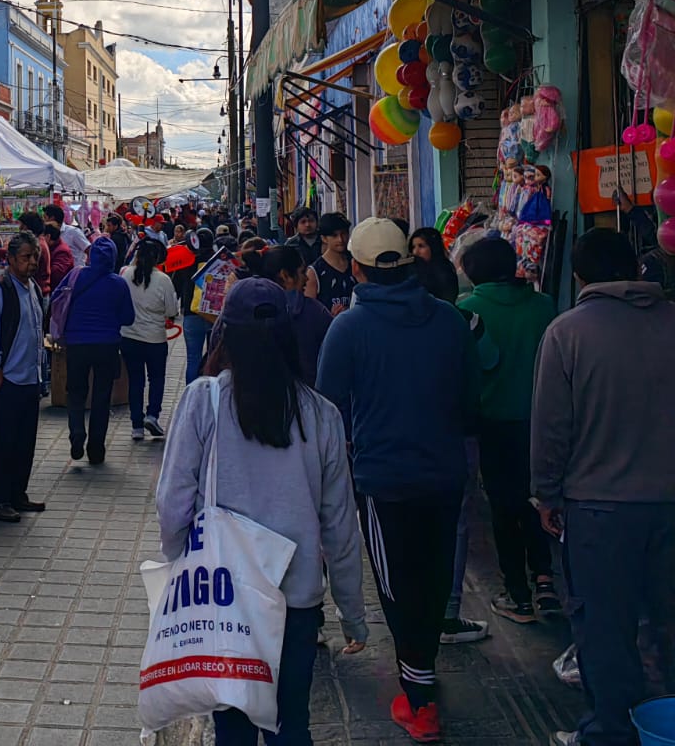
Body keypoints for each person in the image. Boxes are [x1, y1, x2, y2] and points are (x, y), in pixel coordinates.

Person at [533, 230, 675, 746]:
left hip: (599, 511)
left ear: (580, 276)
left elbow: (550, 428)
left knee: (605, 629)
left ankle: (610, 732)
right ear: (634, 268)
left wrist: (545, 494)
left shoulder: (566, 333)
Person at [156, 278, 368, 746]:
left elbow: (173, 503)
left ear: (225, 335)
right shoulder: (322, 414)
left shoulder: (203, 400)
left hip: (225, 595)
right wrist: (352, 611)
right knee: (290, 723)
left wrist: (180, 564)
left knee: (231, 726)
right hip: (297, 600)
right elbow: (339, 525)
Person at [317, 218, 477, 743]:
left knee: (396, 583)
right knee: (432, 576)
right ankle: (421, 673)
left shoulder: (349, 328)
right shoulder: (450, 321)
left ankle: (420, 697)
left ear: (358, 269)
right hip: (446, 471)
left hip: (383, 479)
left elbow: (327, 406)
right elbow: (469, 399)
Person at [456, 236, 559, 625]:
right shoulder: (544, 306)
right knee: (539, 499)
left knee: (503, 507)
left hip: (492, 422)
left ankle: (518, 594)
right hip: (540, 421)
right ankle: (546, 581)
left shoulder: (466, 309)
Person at [0, 234, 47, 523]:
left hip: (30, 378)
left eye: (35, 257)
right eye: (26, 257)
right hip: (8, 379)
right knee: (5, 443)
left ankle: (18, 493)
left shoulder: (32, 287)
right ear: (10, 259)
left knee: (25, 442)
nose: (32, 262)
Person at [58, 237, 134, 465]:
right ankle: (96, 449)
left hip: (77, 343)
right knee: (102, 397)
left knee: (76, 392)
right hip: (107, 346)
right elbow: (129, 318)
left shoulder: (76, 276)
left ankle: (77, 431)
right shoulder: (118, 283)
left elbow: (57, 300)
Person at [119, 238, 180, 442]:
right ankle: (152, 415)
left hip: (128, 335)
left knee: (136, 381)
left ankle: (136, 425)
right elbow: (172, 310)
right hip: (155, 338)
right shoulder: (163, 279)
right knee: (157, 379)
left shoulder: (125, 274)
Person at [256, 244, 332, 383]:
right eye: (302, 272)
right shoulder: (314, 311)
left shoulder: (250, 311)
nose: (306, 278)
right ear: (285, 276)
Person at [178, 228, 213, 384]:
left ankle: (191, 396)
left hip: (191, 314)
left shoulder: (186, 262)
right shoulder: (217, 260)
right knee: (214, 358)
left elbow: (176, 286)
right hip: (213, 314)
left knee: (193, 358)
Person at [312, 213, 356, 313]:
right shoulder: (315, 272)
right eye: (334, 235)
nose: (340, 239)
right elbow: (310, 312)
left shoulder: (356, 262)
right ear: (324, 238)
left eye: (343, 233)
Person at [410, 228, 460, 304]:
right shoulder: (411, 272)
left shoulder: (446, 272)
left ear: (433, 247)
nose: (415, 252)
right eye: (413, 247)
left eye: (421, 246)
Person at [42, 225, 75, 295]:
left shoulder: (62, 251)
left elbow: (56, 274)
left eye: (42, 236)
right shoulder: (52, 247)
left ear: (48, 237)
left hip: (58, 293)